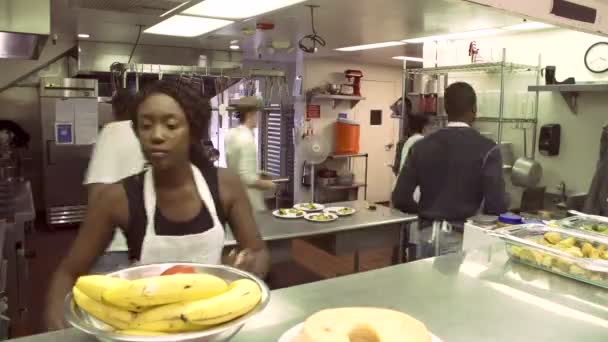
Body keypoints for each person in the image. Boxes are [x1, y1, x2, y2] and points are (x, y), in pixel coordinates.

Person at [45, 81, 270, 329]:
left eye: (171, 125)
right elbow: (68, 273)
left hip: (210, 320)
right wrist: (57, 332)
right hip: (145, 324)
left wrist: (248, 266)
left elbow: (257, 250)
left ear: (193, 131)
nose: (157, 135)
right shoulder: (117, 198)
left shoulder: (225, 185)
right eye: (146, 126)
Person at [392, 82, 507, 258]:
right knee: (457, 286)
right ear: (474, 109)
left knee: (427, 285)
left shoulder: (421, 146)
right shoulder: (488, 149)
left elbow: (400, 198)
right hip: (464, 237)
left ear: (446, 110)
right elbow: (496, 204)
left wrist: (426, 212)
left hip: (427, 235)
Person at [84, 89, 145, 258]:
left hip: (119, 242)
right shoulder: (148, 132)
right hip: (153, 240)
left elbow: (97, 193)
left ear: (115, 109)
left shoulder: (112, 132)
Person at [224, 97, 275, 211]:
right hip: (250, 201)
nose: (257, 118)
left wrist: (258, 172)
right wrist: (269, 184)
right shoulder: (247, 139)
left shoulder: (231, 134)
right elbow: (248, 178)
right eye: (256, 114)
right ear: (250, 114)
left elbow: (237, 168)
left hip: (235, 196)